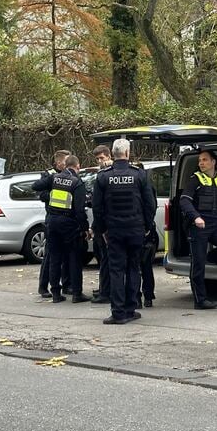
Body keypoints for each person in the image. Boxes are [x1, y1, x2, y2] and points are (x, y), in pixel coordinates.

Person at [92, 138, 156, 324]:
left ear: (112, 154)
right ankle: (131, 308)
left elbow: (97, 208)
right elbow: (149, 204)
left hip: (114, 231)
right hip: (135, 229)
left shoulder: (103, 177)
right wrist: (146, 226)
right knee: (134, 268)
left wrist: (102, 229)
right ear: (128, 154)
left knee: (116, 270)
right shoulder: (139, 175)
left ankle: (118, 312)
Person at [179, 149, 217, 310]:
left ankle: (214, 257)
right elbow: (184, 201)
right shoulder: (195, 179)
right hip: (198, 226)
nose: (201, 163)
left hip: (215, 224)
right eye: (200, 161)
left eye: (204, 160)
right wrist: (196, 217)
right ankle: (200, 300)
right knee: (198, 264)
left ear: (213, 162)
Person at [32, 155, 90, 303]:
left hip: (52, 221)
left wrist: (50, 192)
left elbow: (35, 186)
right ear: (77, 166)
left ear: (65, 165)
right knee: (74, 258)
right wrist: (85, 229)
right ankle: (77, 293)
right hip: (69, 224)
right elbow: (79, 211)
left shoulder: (54, 178)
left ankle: (56, 294)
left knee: (55, 258)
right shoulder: (77, 183)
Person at [36, 149, 70, 298]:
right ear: (58, 162)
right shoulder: (48, 175)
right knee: (50, 255)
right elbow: (41, 194)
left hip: (66, 218)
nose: (67, 164)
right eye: (65, 162)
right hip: (52, 217)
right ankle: (43, 286)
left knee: (66, 255)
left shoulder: (69, 175)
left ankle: (66, 285)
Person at [90, 144, 113, 305]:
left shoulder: (107, 173)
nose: (100, 161)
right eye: (97, 159)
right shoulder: (101, 173)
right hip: (101, 225)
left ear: (109, 156)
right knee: (103, 260)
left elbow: (99, 204)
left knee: (106, 261)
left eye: (102, 158)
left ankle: (106, 291)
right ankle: (103, 288)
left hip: (107, 225)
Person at [133, 161, 157, 307]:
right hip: (146, 230)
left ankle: (137, 297)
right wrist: (148, 226)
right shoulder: (148, 187)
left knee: (135, 266)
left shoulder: (135, 188)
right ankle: (148, 296)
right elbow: (151, 207)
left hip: (138, 228)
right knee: (146, 265)